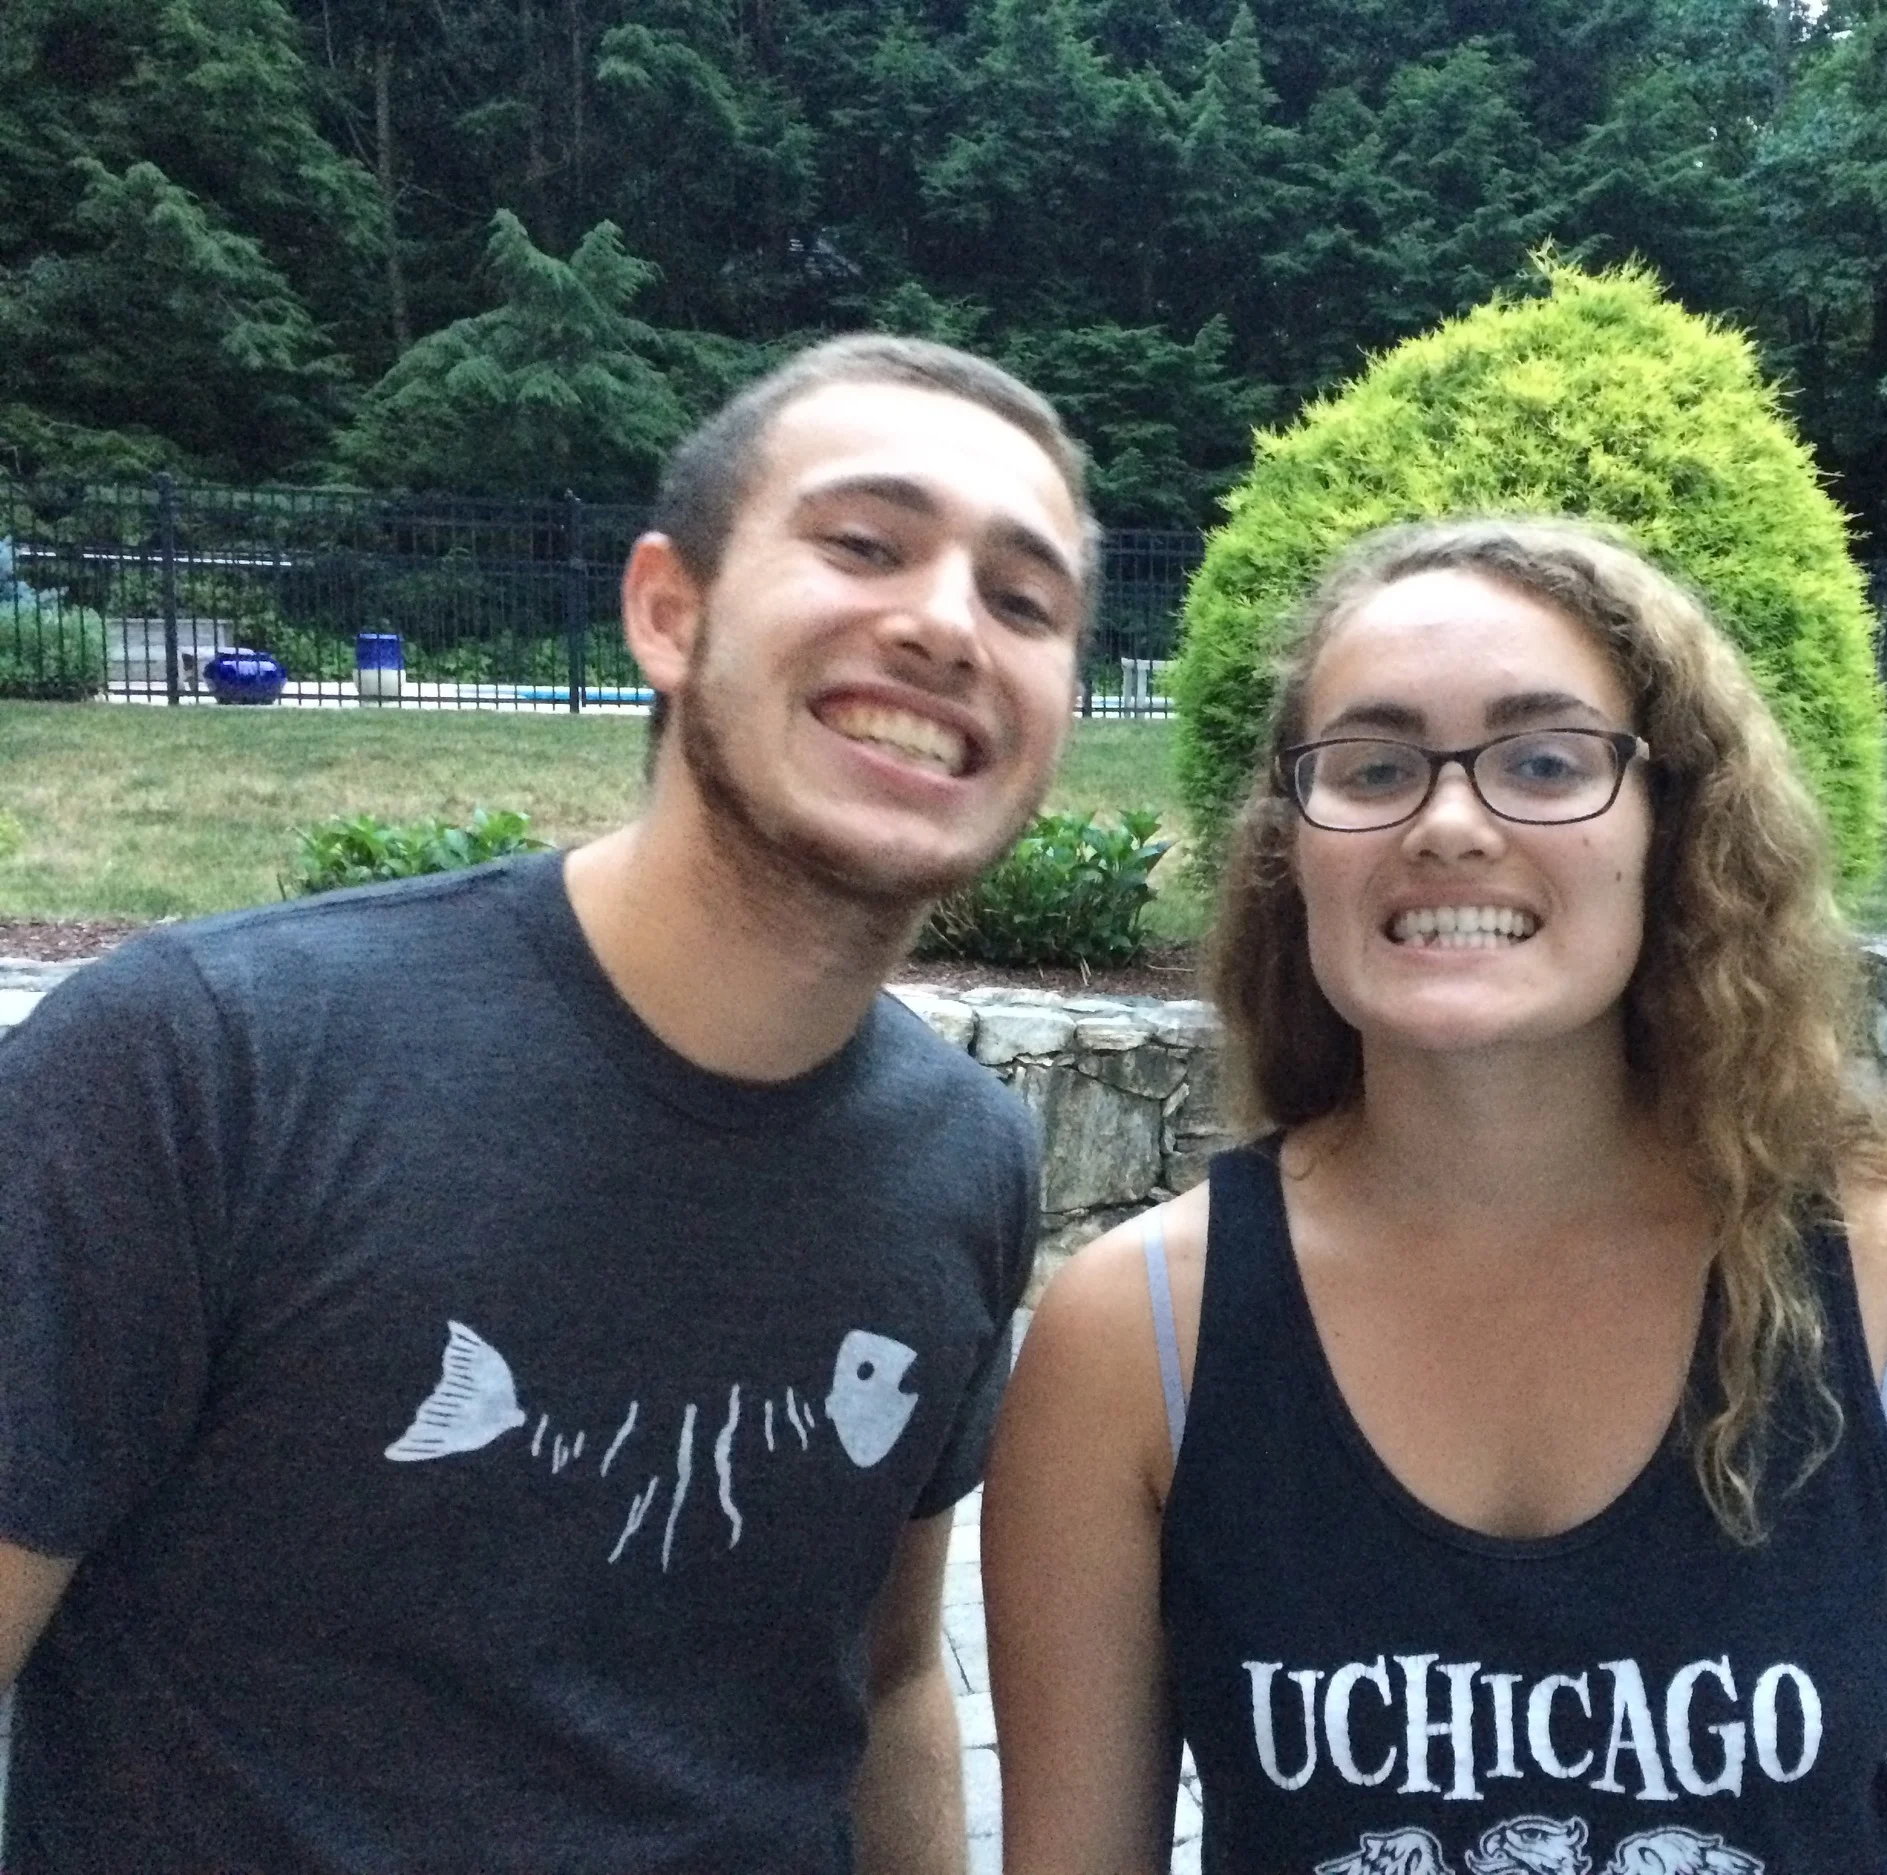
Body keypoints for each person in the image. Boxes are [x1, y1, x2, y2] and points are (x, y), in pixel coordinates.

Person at [0, 333, 1096, 1873]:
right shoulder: (204, 1066)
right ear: (669, 608)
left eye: (1024, 599)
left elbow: (892, 1673)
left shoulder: (965, 1156)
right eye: (865, 543)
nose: (944, 622)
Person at [983, 518, 1887, 1875]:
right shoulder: (1135, 1338)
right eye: (1375, 765)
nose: (1449, 823)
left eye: (1543, 760)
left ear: (1676, 823)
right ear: (1296, 845)